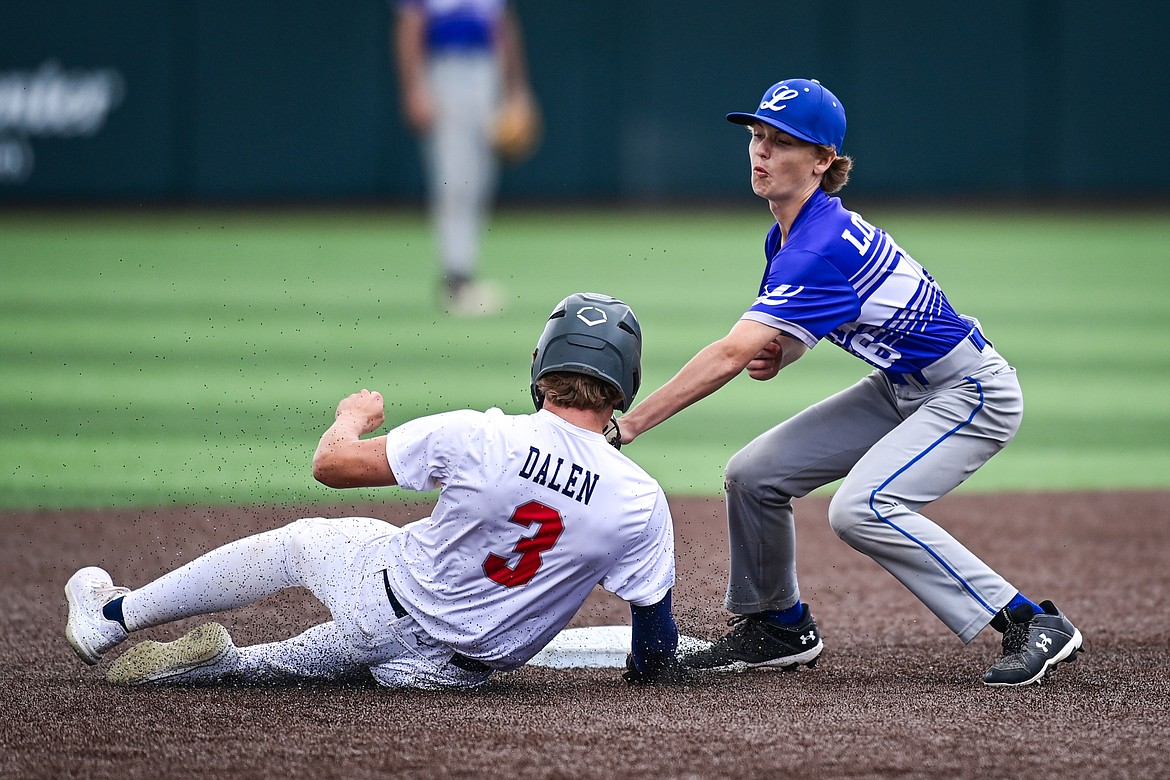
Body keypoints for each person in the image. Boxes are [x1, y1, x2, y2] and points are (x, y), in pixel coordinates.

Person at [614, 78, 1084, 687]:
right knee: (754, 475)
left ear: (822, 161)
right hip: (902, 386)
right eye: (757, 137)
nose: (761, 152)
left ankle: (1030, 622)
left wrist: (629, 424)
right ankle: (779, 625)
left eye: (782, 142)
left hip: (971, 392)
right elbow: (811, 325)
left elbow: (731, 353)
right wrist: (783, 353)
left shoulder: (818, 245)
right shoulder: (793, 232)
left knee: (863, 508)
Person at [64, 293, 682, 689]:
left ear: (540, 365)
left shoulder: (478, 436)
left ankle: (115, 617)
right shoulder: (639, 499)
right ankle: (225, 665)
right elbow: (654, 651)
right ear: (627, 381)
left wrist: (351, 416)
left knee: (304, 542)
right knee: (291, 666)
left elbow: (330, 466)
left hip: (381, 601)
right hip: (453, 676)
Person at [393, 0, 538, 316]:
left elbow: (503, 29)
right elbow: (409, 27)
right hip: (444, 71)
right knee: (454, 179)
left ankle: (464, 275)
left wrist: (516, 90)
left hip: (486, 74)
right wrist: (414, 88)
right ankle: (454, 279)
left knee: (480, 179)